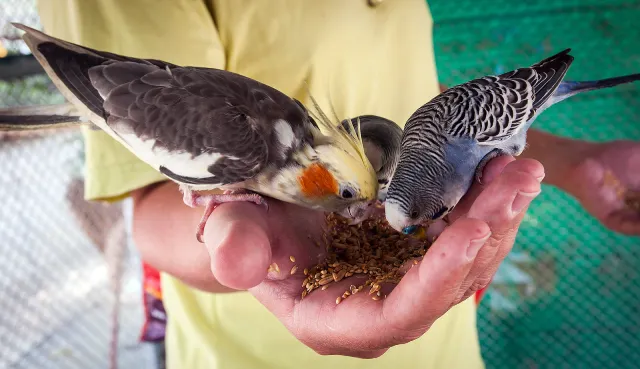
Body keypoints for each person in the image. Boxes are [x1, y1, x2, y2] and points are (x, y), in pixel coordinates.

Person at [35, 1, 640, 368]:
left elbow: (445, 131)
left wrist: (577, 163)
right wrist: (241, 231)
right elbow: (144, 211)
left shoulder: (349, 160)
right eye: (360, 196)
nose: (366, 211)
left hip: (448, 351)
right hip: (261, 356)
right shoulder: (244, 148)